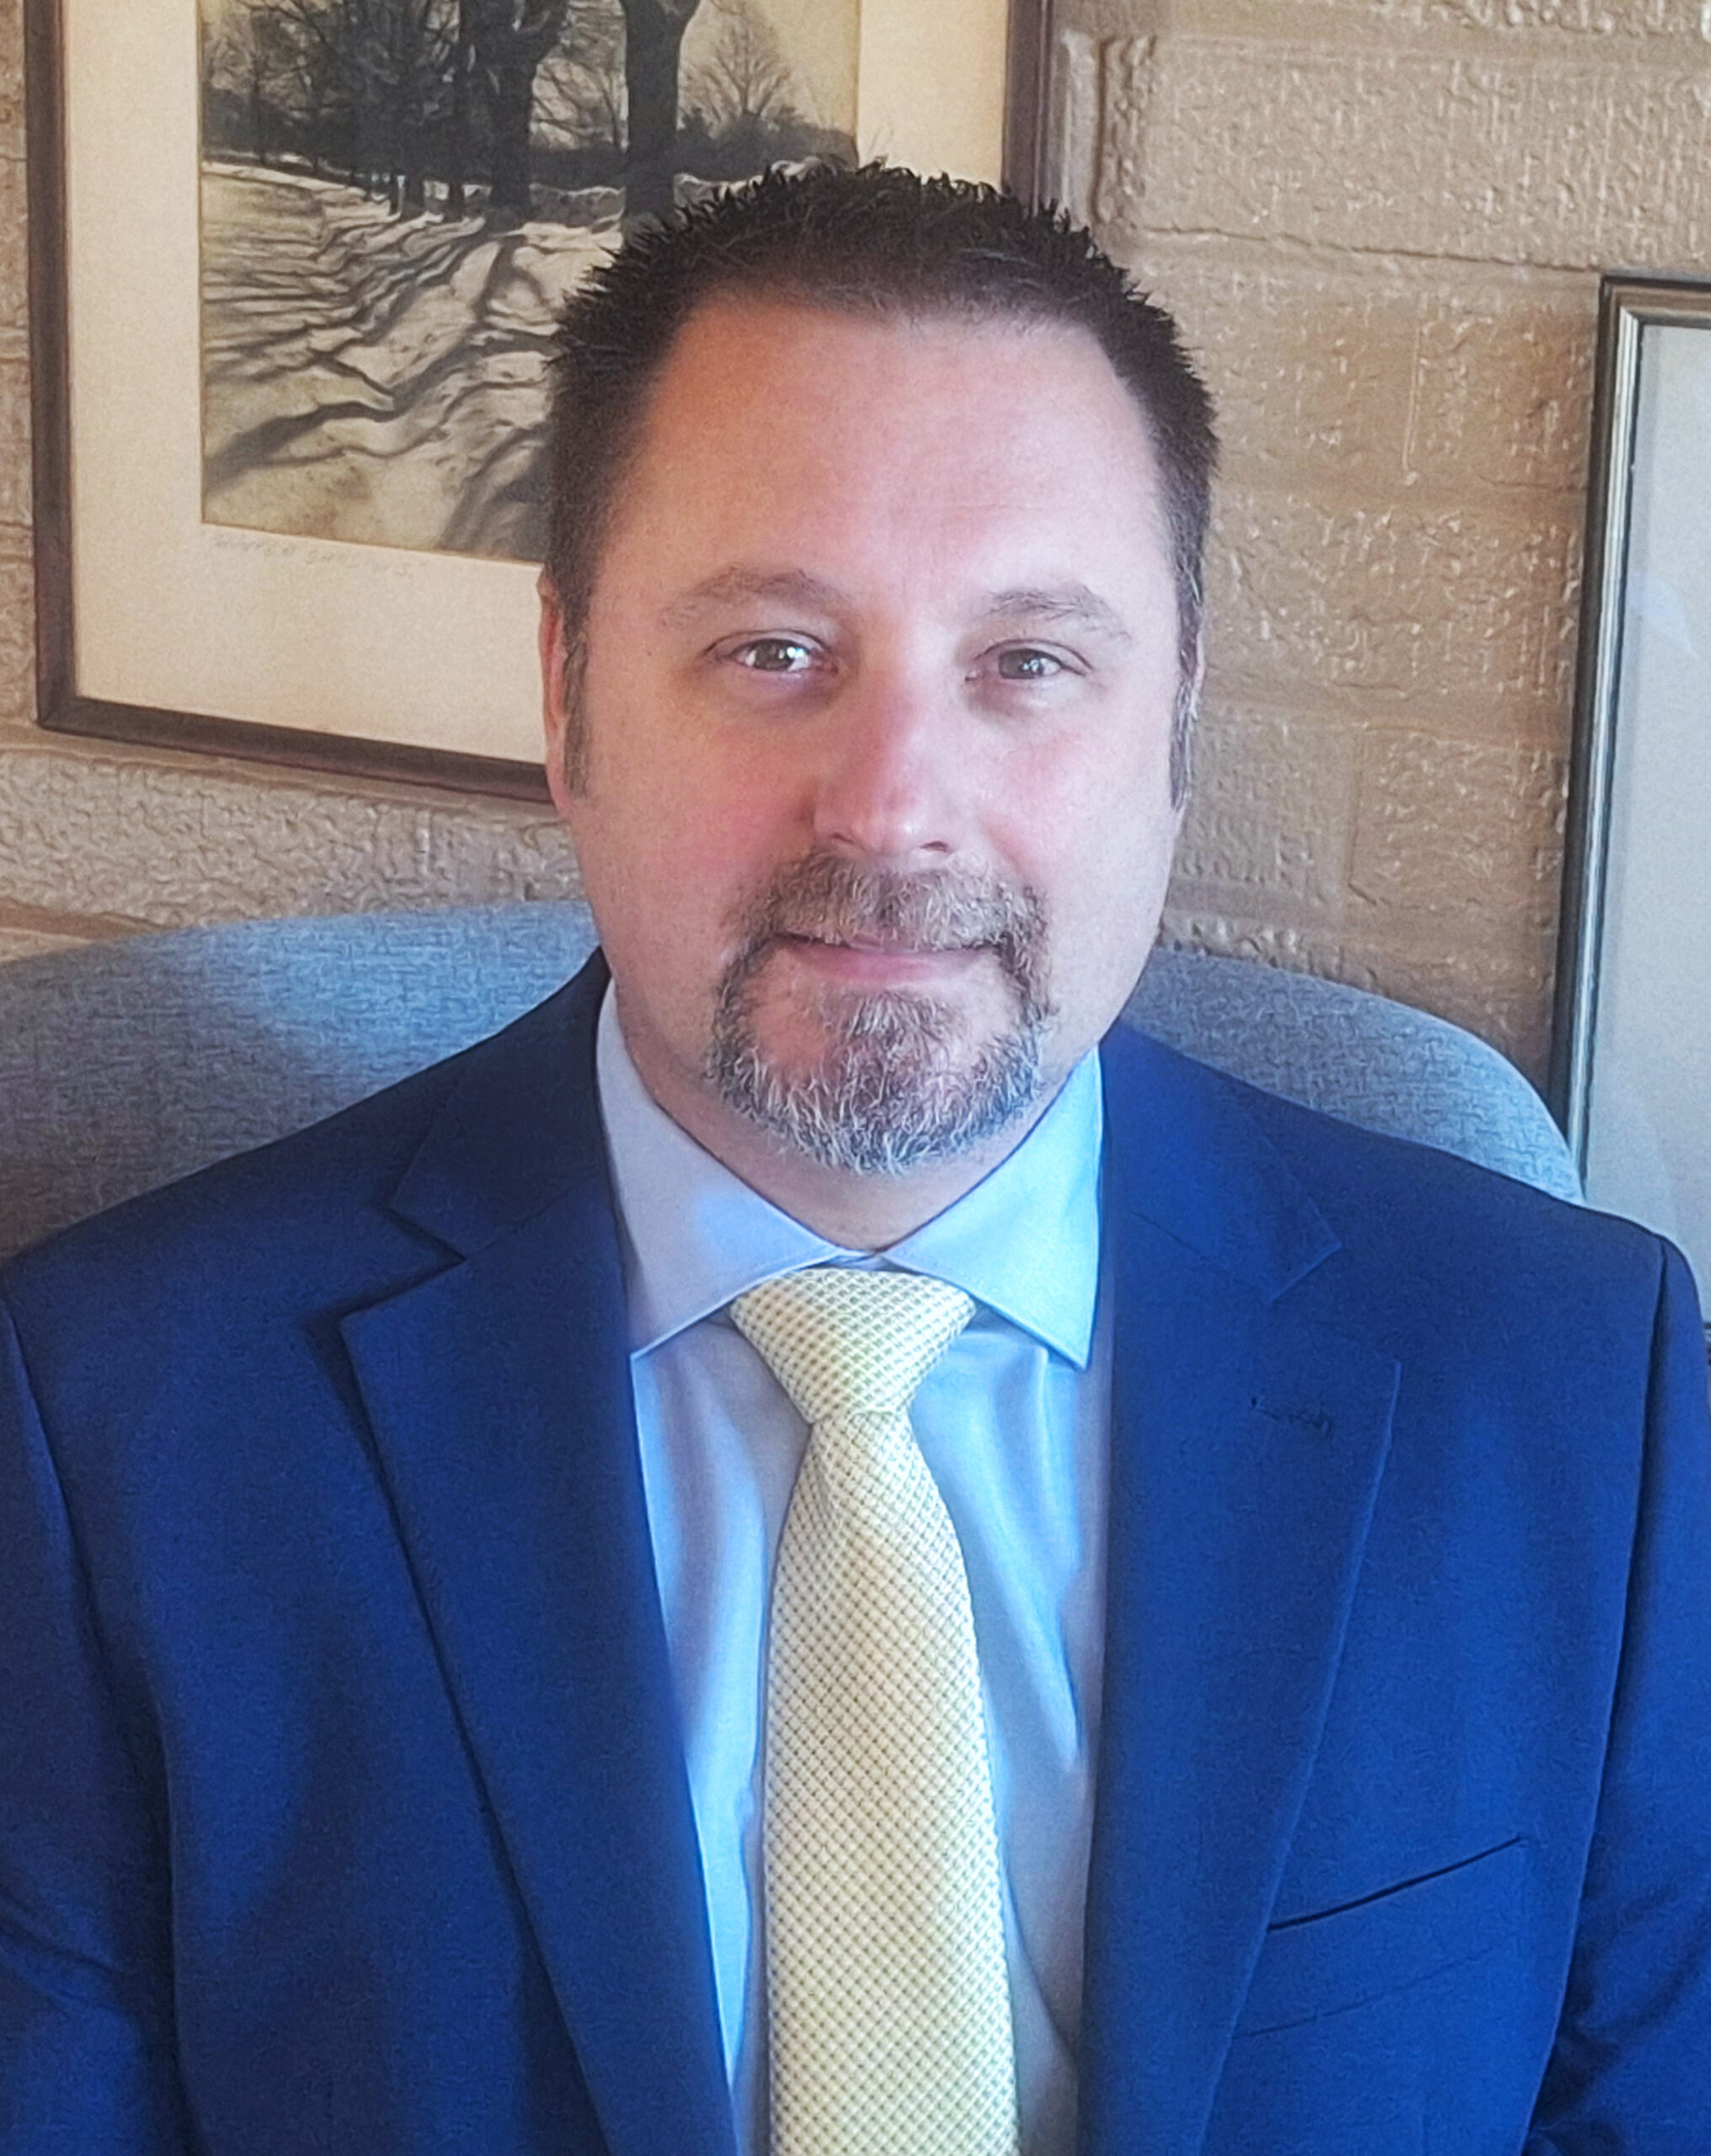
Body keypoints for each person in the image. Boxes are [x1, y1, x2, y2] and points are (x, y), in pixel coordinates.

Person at [2, 165, 1708, 2156]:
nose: (895, 807)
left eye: (1026, 661)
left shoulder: (1572, 1378)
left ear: (1173, 724)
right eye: (771, 649)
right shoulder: (114, 1417)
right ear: (565, 695)